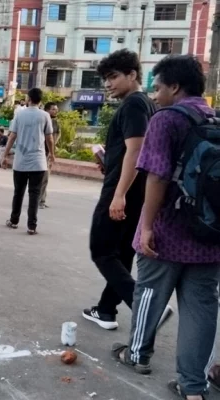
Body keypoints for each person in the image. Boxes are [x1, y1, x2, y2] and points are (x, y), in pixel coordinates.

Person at [110, 55, 220, 400]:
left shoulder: (167, 119)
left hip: (169, 231)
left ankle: (138, 354)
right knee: (201, 308)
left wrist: (145, 227)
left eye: (158, 88)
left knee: (149, 293)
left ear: (174, 87)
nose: (155, 96)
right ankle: (193, 387)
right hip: (211, 234)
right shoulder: (216, 117)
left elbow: (156, 175)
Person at [82, 49, 159, 331]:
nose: (108, 84)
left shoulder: (134, 104)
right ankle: (105, 310)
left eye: (113, 77)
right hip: (136, 191)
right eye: (105, 78)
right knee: (121, 253)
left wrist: (119, 194)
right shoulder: (147, 104)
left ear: (132, 75)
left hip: (123, 191)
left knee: (101, 250)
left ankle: (144, 306)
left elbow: (136, 149)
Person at [1, 88, 54, 235]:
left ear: (28, 98)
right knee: (34, 194)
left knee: (18, 192)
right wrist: (53, 155)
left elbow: (12, 136)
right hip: (38, 162)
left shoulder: (19, 114)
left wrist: (5, 155)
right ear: (40, 100)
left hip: (21, 162)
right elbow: (49, 138)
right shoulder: (45, 116)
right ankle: (32, 226)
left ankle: (14, 221)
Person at [39, 102, 60, 209]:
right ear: (47, 110)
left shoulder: (55, 122)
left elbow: (55, 137)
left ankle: (42, 199)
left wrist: (52, 152)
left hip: (49, 153)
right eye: (53, 109)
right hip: (41, 152)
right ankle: (39, 200)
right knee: (43, 177)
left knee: (45, 178)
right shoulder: (42, 121)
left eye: (56, 109)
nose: (55, 111)